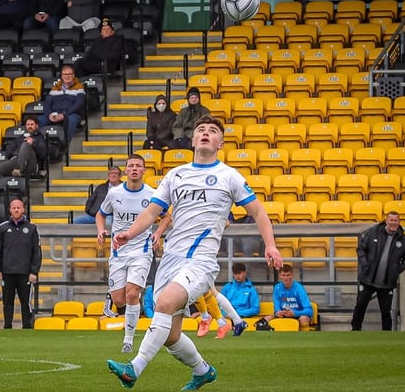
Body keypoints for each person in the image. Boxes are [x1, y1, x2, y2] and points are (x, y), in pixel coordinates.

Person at [106, 115, 282, 389]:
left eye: (212, 131)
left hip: (199, 261)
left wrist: (270, 244)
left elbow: (258, 212)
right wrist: (129, 233)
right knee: (170, 335)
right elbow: (152, 212)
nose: (205, 133)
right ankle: (203, 371)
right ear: (192, 139)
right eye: (201, 129)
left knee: (163, 304)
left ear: (220, 143)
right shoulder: (176, 175)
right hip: (170, 260)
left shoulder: (229, 176)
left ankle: (134, 368)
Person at [97, 153, 166, 353]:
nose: (134, 169)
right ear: (126, 170)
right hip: (118, 251)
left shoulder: (152, 194)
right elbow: (101, 214)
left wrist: (158, 233)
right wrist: (100, 230)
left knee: (132, 293)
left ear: (144, 170)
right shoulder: (114, 193)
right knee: (119, 299)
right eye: (131, 166)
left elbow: (166, 216)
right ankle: (117, 298)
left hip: (141, 250)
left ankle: (128, 339)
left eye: (138, 166)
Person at [351, 211, 405, 331]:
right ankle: (355, 330)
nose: (393, 223)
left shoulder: (403, 240)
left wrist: (397, 270)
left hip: (387, 283)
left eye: (396, 220)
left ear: (399, 222)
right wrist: (364, 264)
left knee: (385, 311)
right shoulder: (374, 232)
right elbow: (361, 248)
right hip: (367, 279)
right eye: (391, 220)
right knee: (360, 305)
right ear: (386, 220)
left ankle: (386, 334)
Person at [0, 198, 42, 329]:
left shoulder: (32, 228)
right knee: (7, 303)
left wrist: (34, 271)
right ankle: (7, 327)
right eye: (13, 207)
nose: (16, 210)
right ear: (10, 210)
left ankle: (27, 327)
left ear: (23, 209)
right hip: (7, 272)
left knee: (26, 303)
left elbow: (36, 252)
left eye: (18, 207)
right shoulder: (2, 228)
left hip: (25, 273)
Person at [0, 116, 47, 187]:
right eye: (28, 125)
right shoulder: (20, 138)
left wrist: (33, 144)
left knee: (26, 145)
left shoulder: (40, 138)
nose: (30, 126)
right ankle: (7, 189)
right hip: (16, 160)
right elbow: (8, 151)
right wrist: (16, 153)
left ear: (37, 126)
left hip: (32, 164)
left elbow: (43, 154)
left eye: (32, 124)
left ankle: (19, 169)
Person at [37, 65, 85, 145]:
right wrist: (49, 115)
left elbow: (78, 104)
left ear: (73, 75)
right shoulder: (55, 87)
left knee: (72, 119)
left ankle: (65, 144)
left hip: (71, 114)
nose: (67, 76)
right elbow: (47, 103)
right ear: (62, 76)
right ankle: (41, 144)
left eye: (70, 74)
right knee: (37, 121)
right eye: (65, 74)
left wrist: (64, 114)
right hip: (55, 114)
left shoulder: (79, 87)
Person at [264, 264, 313, 331]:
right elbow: (276, 308)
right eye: (283, 275)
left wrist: (295, 313)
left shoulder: (298, 288)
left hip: (298, 314)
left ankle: (306, 339)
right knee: (266, 319)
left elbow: (309, 311)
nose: (286, 278)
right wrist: (278, 312)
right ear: (280, 276)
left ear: (292, 275)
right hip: (284, 314)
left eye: (288, 275)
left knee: (303, 319)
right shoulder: (277, 288)